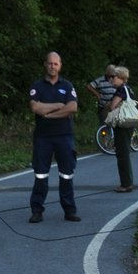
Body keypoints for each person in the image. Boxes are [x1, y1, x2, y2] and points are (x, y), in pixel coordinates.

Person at [28, 50, 79, 224]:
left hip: (64, 135)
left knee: (66, 175)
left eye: (56, 64)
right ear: (45, 64)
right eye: (50, 63)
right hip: (43, 137)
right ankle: (37, 211)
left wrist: (48, 113)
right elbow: (35, 108)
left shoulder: (68, 86)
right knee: (41, 175)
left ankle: (69, 210)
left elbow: (72, 108)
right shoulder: (37, 86)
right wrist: (59, 106)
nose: (52, 66)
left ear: (60, 65)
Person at [106, 66, 138, 193]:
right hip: (128, 124)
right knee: (123, 152)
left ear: (121, 78)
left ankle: (126, 184)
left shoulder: (121, 90)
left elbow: (112, 106)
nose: (111, 79)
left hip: (123, 125)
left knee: (122, 154)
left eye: (113, 77)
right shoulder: (128, 89)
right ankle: (126, 182)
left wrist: (110, 104)